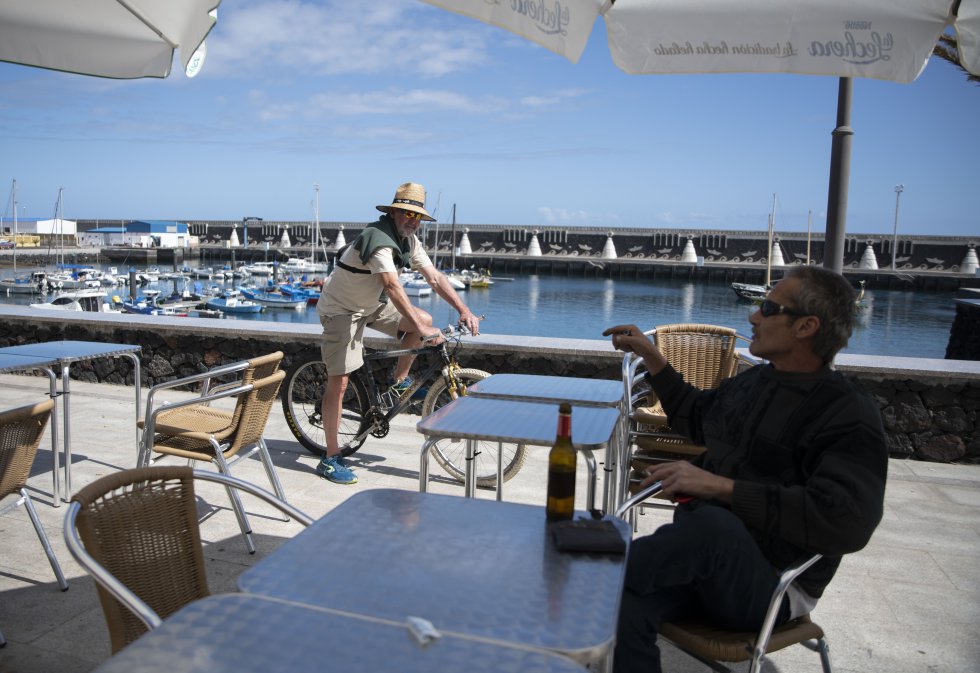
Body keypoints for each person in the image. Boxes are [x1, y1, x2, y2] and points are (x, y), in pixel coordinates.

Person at [603, 265, 887, 673]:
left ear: (806, 326)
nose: (753, 316)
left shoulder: (847, 413)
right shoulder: (755, 383)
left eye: (769, 307)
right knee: (624, 603)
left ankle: (585, 570)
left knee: (714, 528)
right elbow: (696, 416)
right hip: (704, 568)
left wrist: (721, 487)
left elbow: (847, 521)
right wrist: (651, 355)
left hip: (772, 587)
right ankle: (597, 574)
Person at [315, 182, 480, 485]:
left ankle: (398, 384)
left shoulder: (409, 241)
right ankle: (330, 457)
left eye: (417, 216)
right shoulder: (378, 240)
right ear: (392, 212)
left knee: (425, 317)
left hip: (371, 306)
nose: (412, 220)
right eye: (406, 213)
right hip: (341, 310)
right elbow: (392, 286)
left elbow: (434, 277)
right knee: (339, 383)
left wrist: (463, 310)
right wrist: (420, 328)